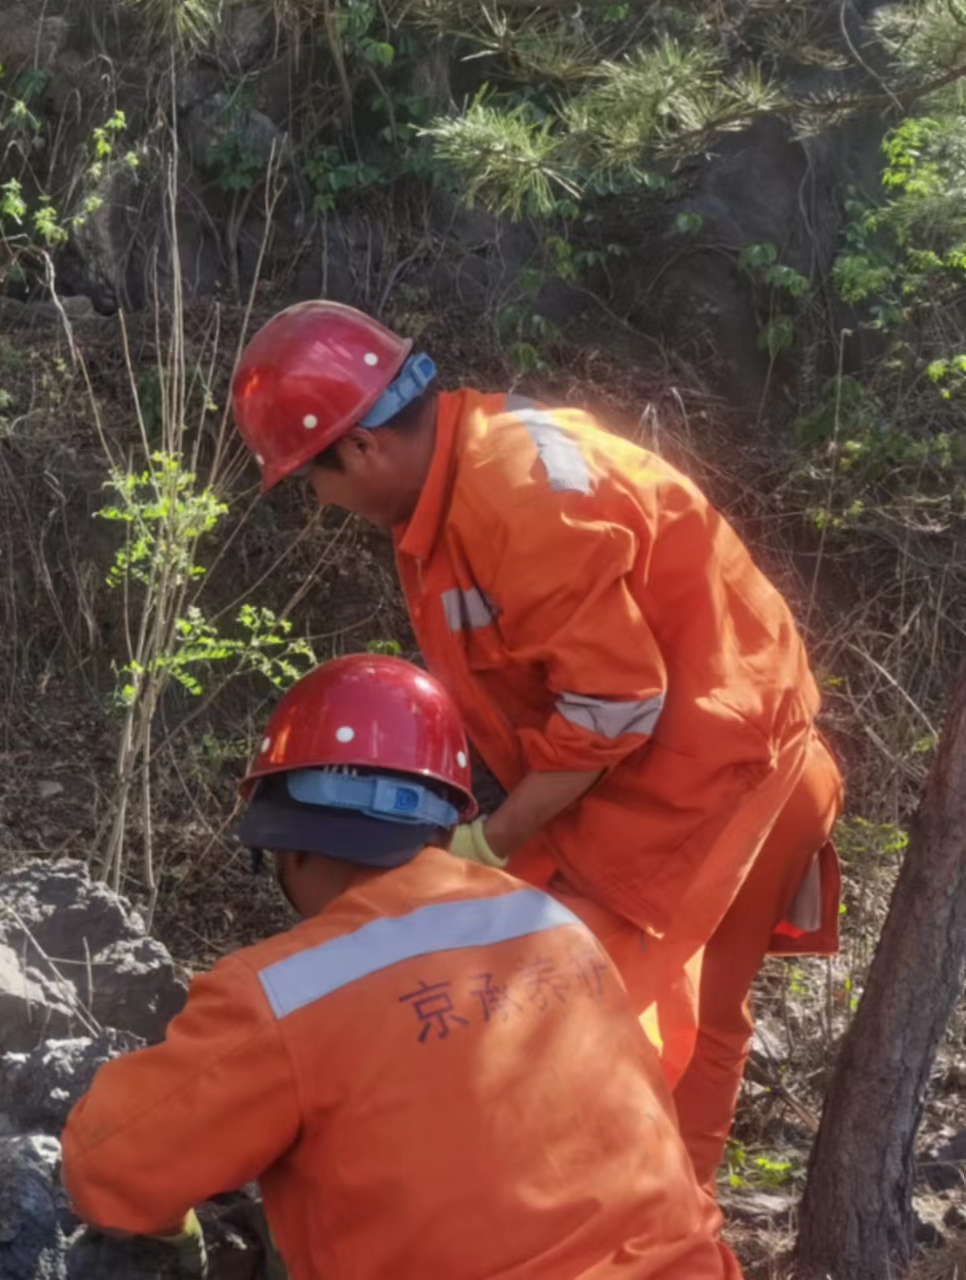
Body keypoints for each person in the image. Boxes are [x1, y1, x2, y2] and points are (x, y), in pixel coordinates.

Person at [227, 299, 843, 1182]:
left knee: (581, 1027)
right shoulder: (465, 479)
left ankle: (630, 1230)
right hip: (681, 769)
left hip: (719, 780)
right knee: (679, 1028)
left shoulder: (513, 498)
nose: (322, 504)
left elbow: (617, 704)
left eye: (313, 481)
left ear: (361, 447)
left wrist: (495, 838)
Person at [62, 654, 744, 1278]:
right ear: (445, 827)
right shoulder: (558, 927)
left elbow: (111, 1166)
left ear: (286, 846)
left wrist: (181, 1238)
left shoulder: (284, 994)